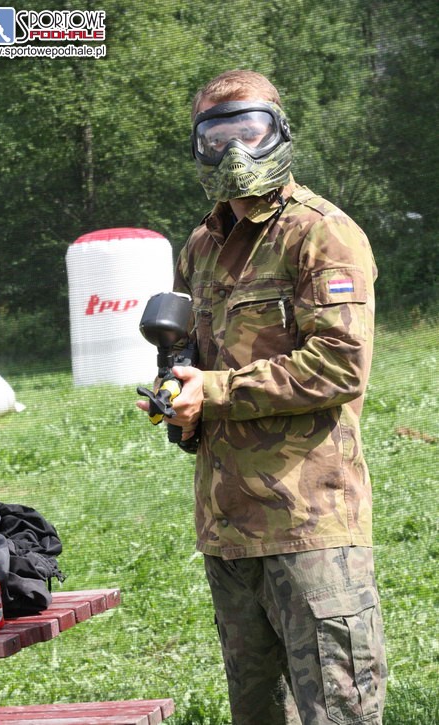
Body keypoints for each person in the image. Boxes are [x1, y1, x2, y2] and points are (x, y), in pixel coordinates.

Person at [137, 69, 387, 724]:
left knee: (338, 711)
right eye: (216, 136)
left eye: (248, 131)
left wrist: (214, 391)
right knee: (257, 714)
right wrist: (176, 395)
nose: (233, 151)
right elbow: (192, 357)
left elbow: (339, 365)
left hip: (309, 526)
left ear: (277, 132)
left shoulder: (320, 233)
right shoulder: (202, 245)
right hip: (228, 529)